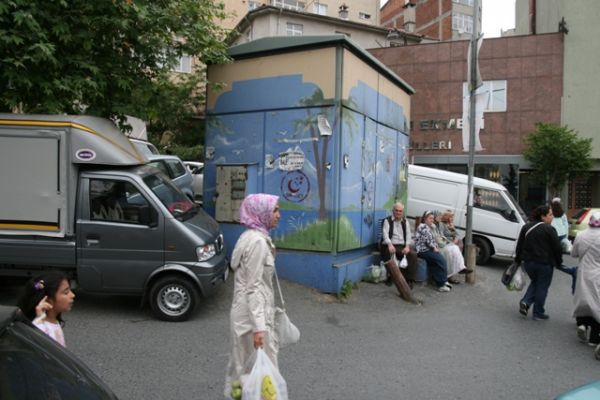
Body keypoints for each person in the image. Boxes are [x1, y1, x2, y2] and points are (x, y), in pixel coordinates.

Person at [224, 193, 281, 396]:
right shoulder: (257, 242)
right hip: (251, 318)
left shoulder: (249, 236)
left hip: (245, 313)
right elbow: (253, 287)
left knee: (246, 371)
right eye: (275, 210)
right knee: (262, 376)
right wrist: (259, 328)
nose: (278, 215)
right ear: (261, 213)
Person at [515, 205, 562, 320]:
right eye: (550, 214)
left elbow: (520, 245)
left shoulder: (526, 227)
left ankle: (525, 302)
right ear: (543, 216)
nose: (552, 217)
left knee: (536, 282)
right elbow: (557, 248)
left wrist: (517, 259)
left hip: (529, 263)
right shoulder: (549, 229)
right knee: (542, 286)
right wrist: (559, 261)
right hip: (545, 263)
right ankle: (538, 312)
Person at [17, 271, 75, 347]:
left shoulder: (53, 321)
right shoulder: (40, 328)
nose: (73, 295)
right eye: (66, 292)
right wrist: (39, 319)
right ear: (47, 300)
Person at [570, 211, 600, 359]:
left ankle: (581, 323)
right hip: (598, 274)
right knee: (596, 303)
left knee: (583, 299)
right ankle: (594, 338)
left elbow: (573, 253)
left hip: (583, 272)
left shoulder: (581, 235)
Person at [380, 202, 418, 288]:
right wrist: (390, 244)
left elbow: (408, 235)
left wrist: (407, 246)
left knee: (413, 255)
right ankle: (390, 277)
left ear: (402, 212)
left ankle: (409, 280)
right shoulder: (387, 220)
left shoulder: (405, 221)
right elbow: (385, 235)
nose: (398, 212)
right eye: (396, 210)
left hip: (401, 246)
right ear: (393, 211)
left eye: (400, 211)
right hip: (390, 244)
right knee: (388, 252)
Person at [414, 210, 451, 292]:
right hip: (422, 250)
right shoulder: (423, 226)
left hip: (427, 249)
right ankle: (441, 284)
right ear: (425, 219)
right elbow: (428, 240)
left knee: (437, 261)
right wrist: (434, 248)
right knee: (441, 260)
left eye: (433, 219)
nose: (432, 220)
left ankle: (440, 280)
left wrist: (435, 246)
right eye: (430, 218)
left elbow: (432, 239)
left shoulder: (428, 227)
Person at [438, 210, 473, 283]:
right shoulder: (442, 224)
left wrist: (455, 240)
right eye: (451, 217)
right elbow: (441, 236)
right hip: (445, 244)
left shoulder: (450, 225)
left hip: (451, 243)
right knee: (455, 249)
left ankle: (460, 268)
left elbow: (457, 235)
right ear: (447, 217)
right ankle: (458, 270)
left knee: (456, 247)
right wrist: (450, 241)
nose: (452, 219)